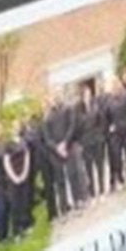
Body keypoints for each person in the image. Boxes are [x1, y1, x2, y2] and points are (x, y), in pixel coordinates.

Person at [42, 88, 75, 217]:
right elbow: (47, 138)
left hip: (66, 147)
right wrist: (57, 148)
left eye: (56, 97)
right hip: (55, 153)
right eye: (52, 98)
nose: (54, 100)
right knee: (60, 180)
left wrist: (65, 143)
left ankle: (74, 201)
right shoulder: (46, 118)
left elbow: (69, 127)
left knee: (72, 175)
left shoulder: (64, 110)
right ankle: (64, 207)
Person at [104, 74, 126, 191]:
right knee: (117, 156)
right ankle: (121, 178)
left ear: (118, 84)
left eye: (115, 84)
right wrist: (110, 127)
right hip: (116, 133)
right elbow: (106, 117)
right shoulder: (108, 101)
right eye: (112, 85)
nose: (114, 87)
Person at [76, 83, 107, 203]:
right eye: (86, 94)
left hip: (97, 140)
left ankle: (102, 191)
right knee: (89, 169)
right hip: (86, 143)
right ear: (82, 95)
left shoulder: (96, 105)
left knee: (100, 166)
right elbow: (77, 127)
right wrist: (81, 142)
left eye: (89, 94)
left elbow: (102, 121)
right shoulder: (78, 109)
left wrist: (101, 135)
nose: (88, 96)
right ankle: (93, 194)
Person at [2, 126, 33, 238]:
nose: (14, 128)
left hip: (24, 175)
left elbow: (27, 156)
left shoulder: (23, 141)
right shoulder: (7, 144)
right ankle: (16, 232)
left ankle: (25, 226)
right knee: (15, 204)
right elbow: (6, 163)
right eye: (12, 127)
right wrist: (14, 177)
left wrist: (25, 172)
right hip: (13, 178)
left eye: (16, 126)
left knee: (24, 201)